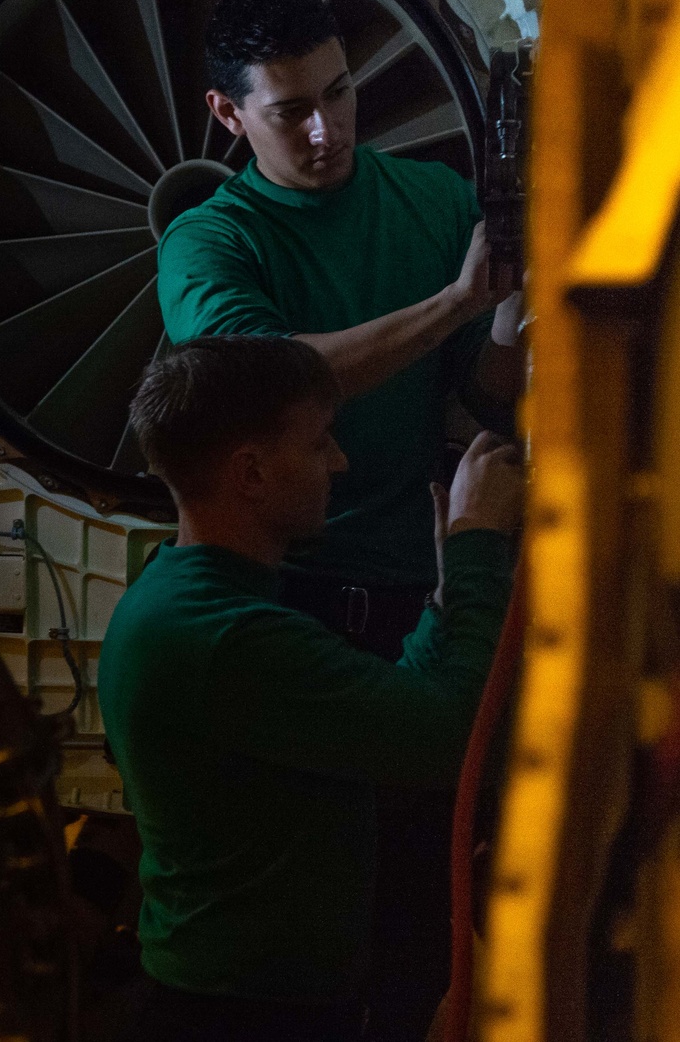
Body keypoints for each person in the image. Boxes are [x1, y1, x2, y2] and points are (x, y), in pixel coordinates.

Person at [98, 336, 521, 1042]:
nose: (339, 461)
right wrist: (479, 543)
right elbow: (451, 738)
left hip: (229, 997)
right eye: (320, 442)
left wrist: (446, 594)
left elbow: (396, 698)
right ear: (252, 474)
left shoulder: (180, 595)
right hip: (246, 1018)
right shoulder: (226, 638)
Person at [157, 0, 524, 659]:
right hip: (280, 593)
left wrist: (510, 311)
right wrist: (456, 303)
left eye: (338, 92)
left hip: (416, 588)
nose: (326, 129)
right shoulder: (207, 243)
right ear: (228, 113)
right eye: (291, 111)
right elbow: (271, 386)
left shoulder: (436, 200)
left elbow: (483, 395)